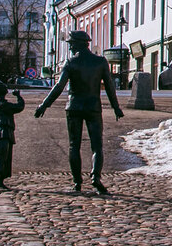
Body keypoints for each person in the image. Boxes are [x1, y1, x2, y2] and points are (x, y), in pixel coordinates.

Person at [34, 30, 124, 193]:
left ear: (78, 44)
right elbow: (110, 87)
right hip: (93, 108)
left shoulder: (70, 63)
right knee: (97, 146)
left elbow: (59, 87)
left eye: (71, 44)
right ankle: (95, 177)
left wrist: (44, 105)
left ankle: (77, 182)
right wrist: (116, 107)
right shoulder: (100, 62)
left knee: (73, 146)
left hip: (74, 107)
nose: (69, 47)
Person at [0, 79, 25, 191]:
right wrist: (19, 96)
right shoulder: (2, 104)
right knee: (1, 156)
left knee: (3, 156)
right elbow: (19, 107)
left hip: (4, 132)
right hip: (3, 132)